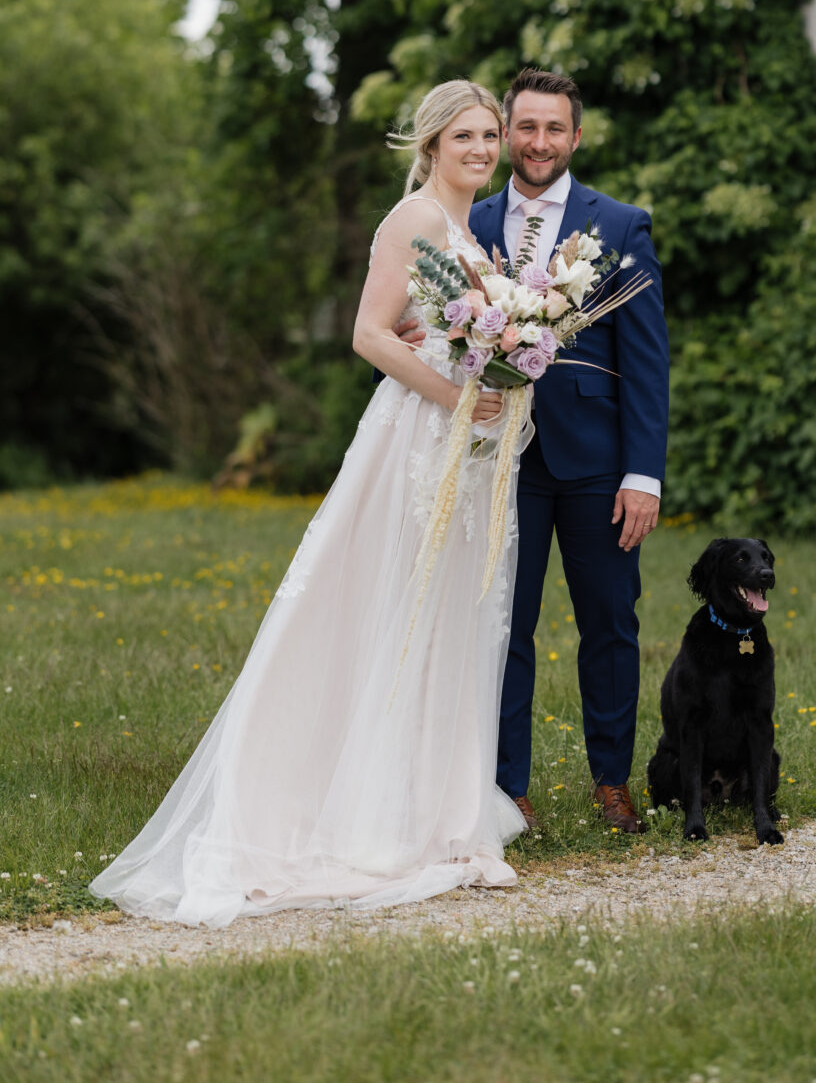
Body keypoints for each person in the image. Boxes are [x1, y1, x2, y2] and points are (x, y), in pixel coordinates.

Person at [91, 81, 531, 927]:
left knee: (443, 616)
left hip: (468, 454)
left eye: (490, 137)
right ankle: (356, 816)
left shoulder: (472, 232)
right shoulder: (410, 221)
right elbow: (368, 334)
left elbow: (427, 324)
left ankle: (437, 813)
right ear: (432, 143)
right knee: (386, 605)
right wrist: (454, 395)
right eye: (466, 136)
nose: (482, 149)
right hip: (415, 440)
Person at [400, 67, 670, 833]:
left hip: (596, 459)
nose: (538, 141)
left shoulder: (619, 225)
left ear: (575, 137)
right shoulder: (466, 218)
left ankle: (611, 779)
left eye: (554, 128)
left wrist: (641, 473)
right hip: (494, 458)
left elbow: (646, 361)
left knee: (610, 622)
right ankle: (504, 787)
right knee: (500, 625)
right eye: (525, 127)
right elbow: (429, 315)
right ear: (507, 132)